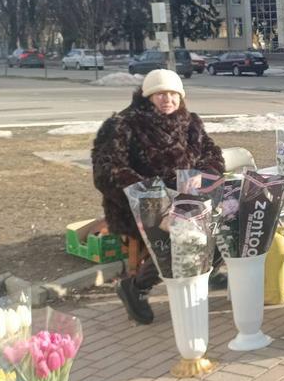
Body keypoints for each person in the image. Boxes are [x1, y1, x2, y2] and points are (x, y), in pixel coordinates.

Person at [92, 69, 225, 324]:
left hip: (186, 199)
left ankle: (205, 271)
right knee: (184, 234)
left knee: (226, 219)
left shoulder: (190, 122)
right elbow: (107, 171)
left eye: (173, 93)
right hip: (138, 203)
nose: (167, 99)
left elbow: (213, 154)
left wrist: (204, 173)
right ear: (148, 97)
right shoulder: (123, 124)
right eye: (160, 94)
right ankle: (136, 287)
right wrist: (155, 201)